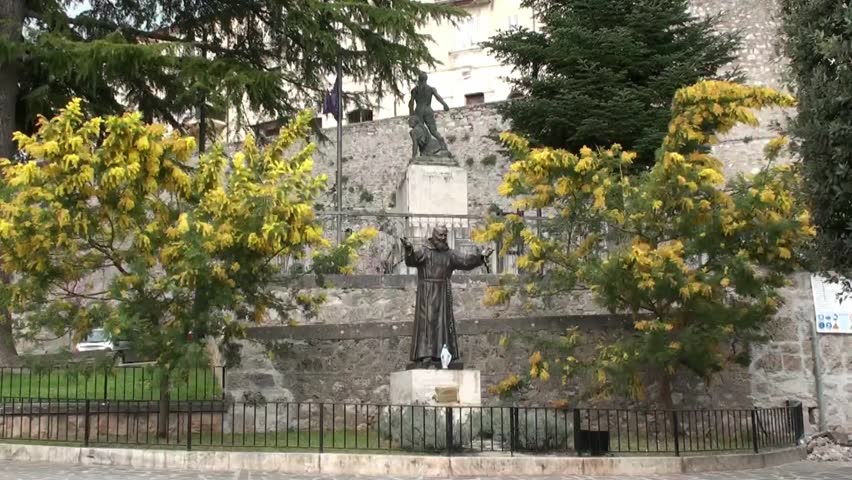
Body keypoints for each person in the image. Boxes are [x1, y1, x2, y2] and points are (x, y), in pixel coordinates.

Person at [401, 225, 493, 368]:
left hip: (443, 293)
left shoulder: (449, 254)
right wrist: (408, 249)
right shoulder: (424, 251)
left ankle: (442, 355)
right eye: (440, 235)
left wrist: (481, 257)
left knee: (443, 324)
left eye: (445, 235)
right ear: (434, 235)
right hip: (426, 294)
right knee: (427, 324)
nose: (443, 238)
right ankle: (425, 354)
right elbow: (411, 260)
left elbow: (465, 261)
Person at [408, 72, 451, 153]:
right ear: (426, 79)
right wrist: (445, 105)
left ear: (419, 79)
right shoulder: (431, 89)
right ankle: (443, 145)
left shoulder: (414, 90)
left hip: (419, 110)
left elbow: (411, 102)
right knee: (433, 130)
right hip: (428, 109)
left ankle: (422, 150)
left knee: (419, 131)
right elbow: (438, 97)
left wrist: (411, 114)